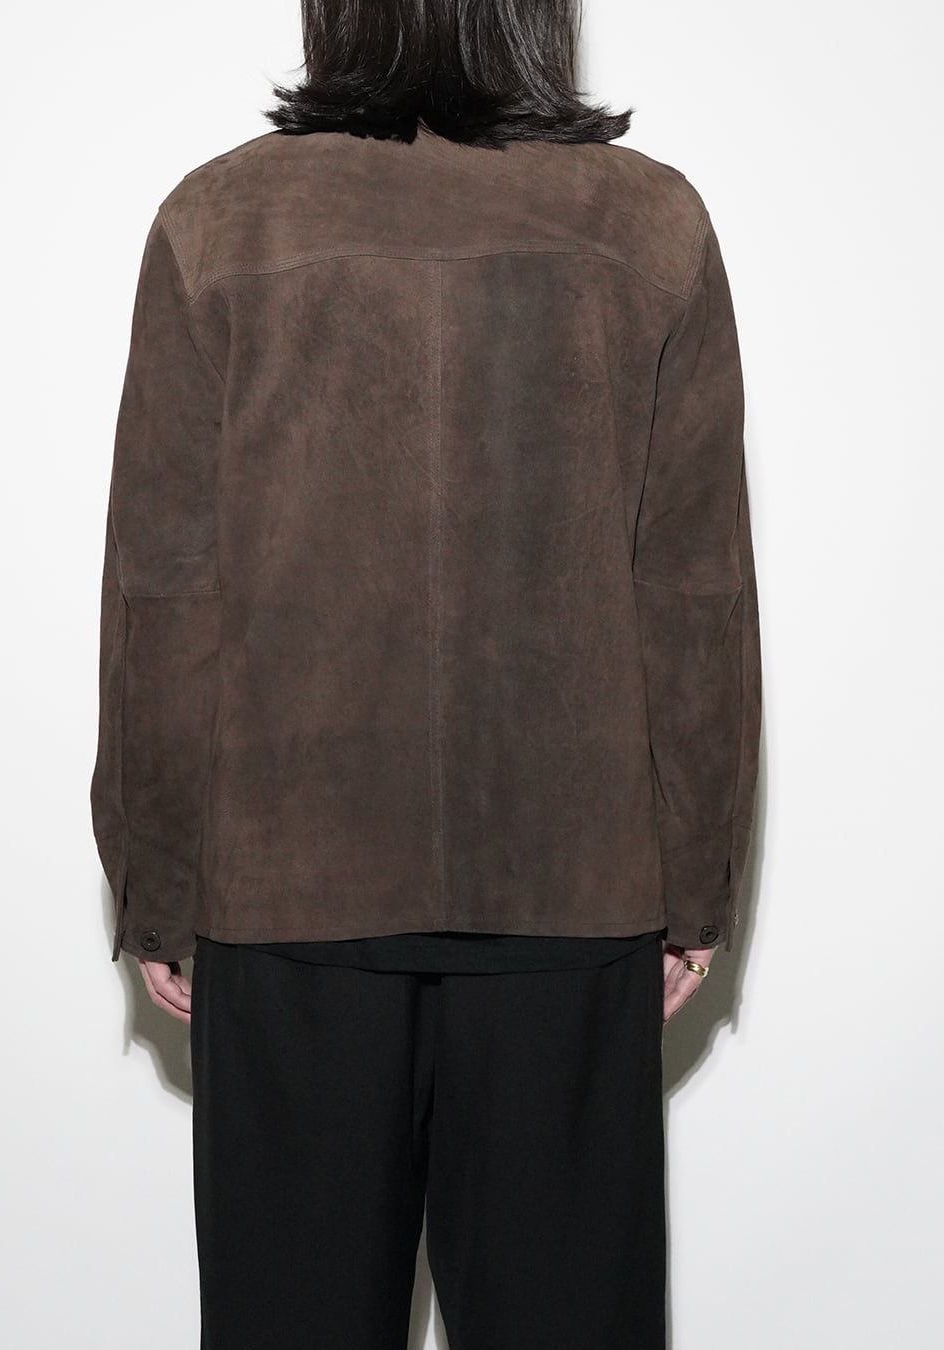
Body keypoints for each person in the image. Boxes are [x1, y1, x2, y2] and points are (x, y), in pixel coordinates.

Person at [90, 1, 762, 1345]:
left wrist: (158, 886)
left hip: (290, 893)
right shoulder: (648, 224)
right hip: (569, 889)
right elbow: (692, 588)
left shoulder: (221, 220)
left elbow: (164, 590)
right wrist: (694, 882)